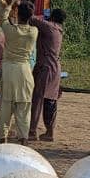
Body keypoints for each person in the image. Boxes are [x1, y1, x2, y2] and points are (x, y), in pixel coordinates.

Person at [0, 0, 38, 144]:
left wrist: (9, 5)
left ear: (18, 15)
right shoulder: (34, 32)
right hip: (25, 71)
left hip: (9, 70)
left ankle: (3, 137)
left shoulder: (10, 30)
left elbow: (3, 19)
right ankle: (24, 138)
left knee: (6, 105)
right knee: (24, 106)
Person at [28, 8, 66, 141]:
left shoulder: (49, 27)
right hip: (54, 67)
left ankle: (32, 130)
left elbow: (31, 19)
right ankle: (49, 132)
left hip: (45, 67)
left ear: (52, 17)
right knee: (51, 100)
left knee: (37, 99)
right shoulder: (59, 29)